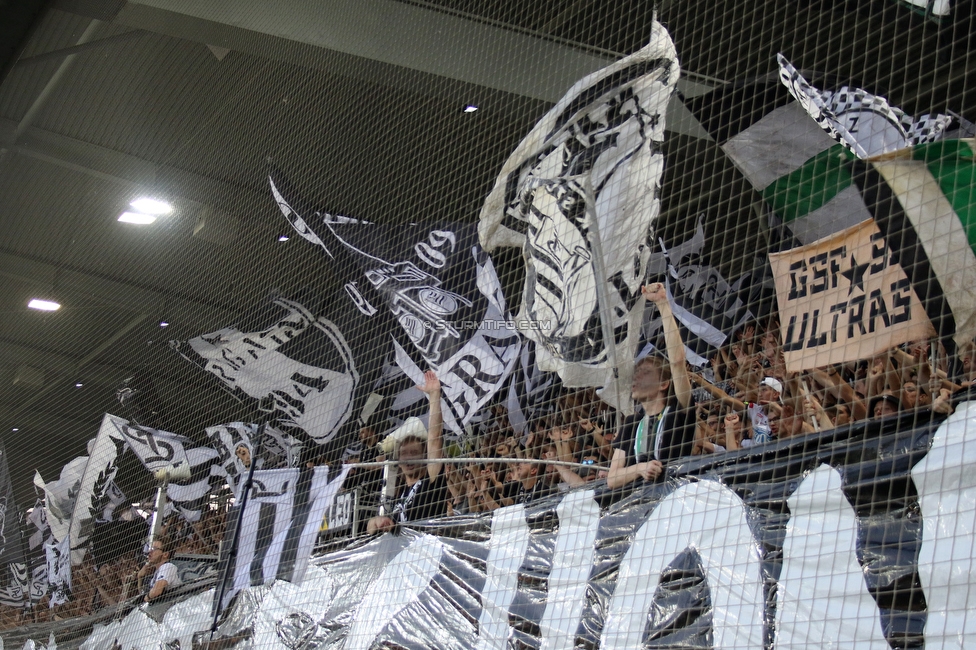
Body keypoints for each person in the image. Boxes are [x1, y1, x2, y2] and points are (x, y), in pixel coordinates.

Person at [608, 282, 695, 489]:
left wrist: (663, 305)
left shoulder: (679, 411)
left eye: (645, 373)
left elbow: (677, 362)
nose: (636, 379)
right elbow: (612, 479)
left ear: (664, 383)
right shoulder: (630, 422)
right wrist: (640, 468)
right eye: (636, 374)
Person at [367, 370, 445, 534]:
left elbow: (435, 437)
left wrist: (434, 396)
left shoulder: (430, 482)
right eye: (404, 454)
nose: (408, 458)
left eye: (414, 452)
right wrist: (375, 522)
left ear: (425, 457)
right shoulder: (395, 499)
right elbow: (370, 530)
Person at [137, 536, 181, 603]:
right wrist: (139, 577)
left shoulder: (168, 566)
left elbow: (156, 591)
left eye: (154, 549)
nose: (150, 552)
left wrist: (148, 597)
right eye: (150, 548)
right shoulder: (157, 573)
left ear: (165, 554)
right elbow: (143, 594)